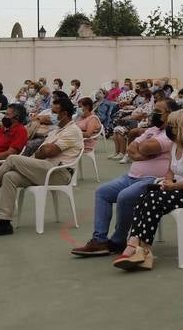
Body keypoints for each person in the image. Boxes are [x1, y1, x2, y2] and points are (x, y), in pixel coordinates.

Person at [0, 97, 84, 237]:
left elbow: (48, 151)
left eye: (53, 113)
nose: (49, 116)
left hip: (59, 173)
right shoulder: (55, 132)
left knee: (12, 159)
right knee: (9, 177)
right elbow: (40, 153)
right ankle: (4, 224)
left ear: (64, 114)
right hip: (44, 169)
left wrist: (46, 149)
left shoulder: (73, 130)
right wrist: (46, 149)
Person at [112, 111, 183, 271]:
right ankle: (135, 244)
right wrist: (168, 180)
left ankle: (144, 251)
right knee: (144, 196)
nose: (167, 128)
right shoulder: (175, 144)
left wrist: (173, 186)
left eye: (171, 126)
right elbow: (170, 170)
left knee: (153, 200)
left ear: (181, 128)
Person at [70, 100, 175, 256]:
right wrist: (142, 152)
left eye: (158, 112)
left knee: (124, 197)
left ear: (171, 115)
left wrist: (141, 149)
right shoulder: (152, 129)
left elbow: (146, 146)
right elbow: (130, 147)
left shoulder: (172, 134)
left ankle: (118, 241)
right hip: (131, 176)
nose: (154, 114)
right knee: (102, 192)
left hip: (153, 180)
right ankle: (99, 240)